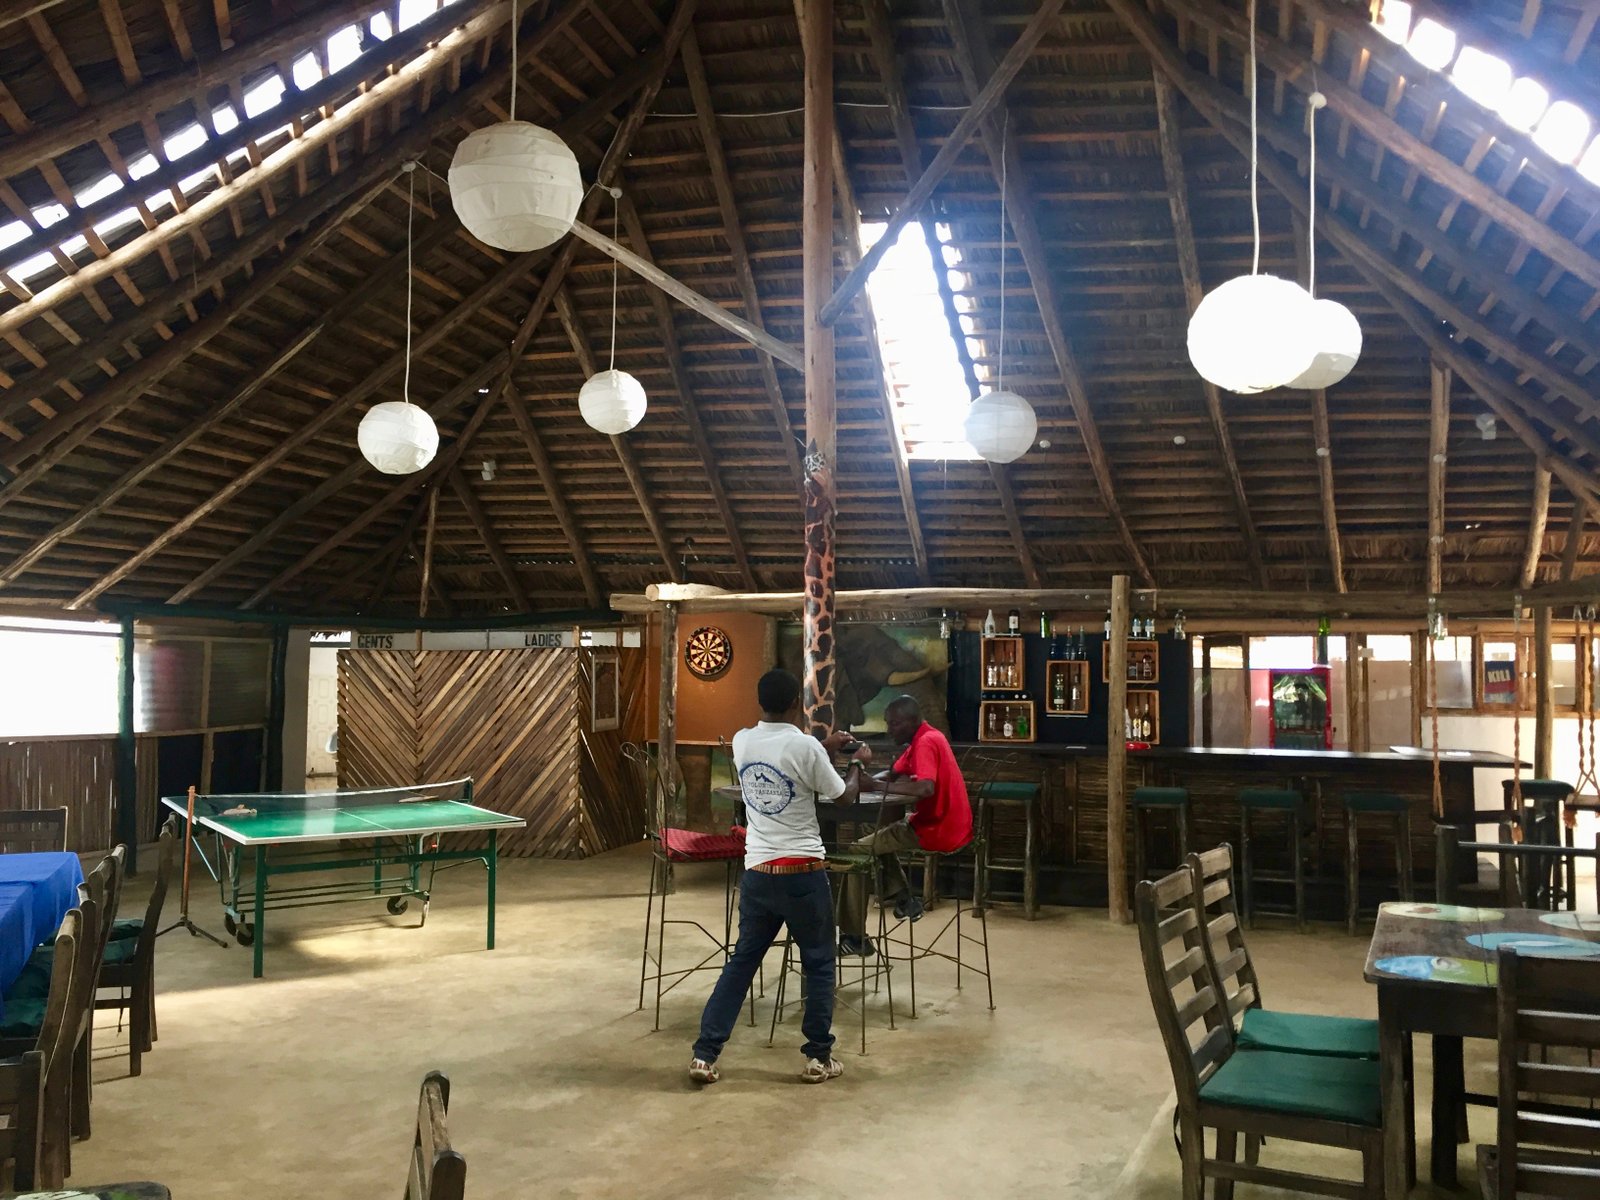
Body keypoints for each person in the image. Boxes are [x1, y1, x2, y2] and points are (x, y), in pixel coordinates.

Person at [689, 668, 860, 1086]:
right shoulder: (804, 746)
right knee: (819, 962)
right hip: (803, 874)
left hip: (759, 874)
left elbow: (787, 754)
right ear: (796, 704)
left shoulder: (742, 740)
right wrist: (857, 762)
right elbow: (844, 796)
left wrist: (822, 747)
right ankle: (818, 1058)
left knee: (742, 962)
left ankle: (704, 1054)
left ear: (760, 701)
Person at [837, 695, 972, 955]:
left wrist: (875, 785)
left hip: (939, 829)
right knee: (874, 836)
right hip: (952, 824)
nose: (889, 730)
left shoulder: (925, 743)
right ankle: (904, 899)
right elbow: (893, 773)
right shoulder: (924, 737)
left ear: (912, 721)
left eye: (895, 724)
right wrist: (870, 781)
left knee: (856, 850)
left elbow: (925, 788)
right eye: (888, 723)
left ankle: (854, 937)